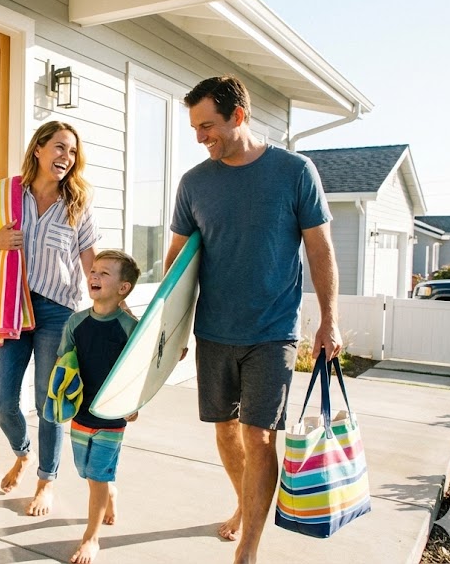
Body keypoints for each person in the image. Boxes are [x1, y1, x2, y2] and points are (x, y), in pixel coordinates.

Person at [166, 75, 342, 564]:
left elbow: (320, 248)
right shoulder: (195, 183)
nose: (201, 137)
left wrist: (330, 320)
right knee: (224, 430)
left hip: (273, 330)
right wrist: (170, 331)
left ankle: (248, 548)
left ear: (238, 115)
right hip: (214, 331)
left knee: (258, 433)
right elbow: (177, 262)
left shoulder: (294, 171)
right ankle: (246, 506)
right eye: (195, 128)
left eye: (208, 126)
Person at [0, 120, 100, 516]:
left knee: (49, 403)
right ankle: (22, 453)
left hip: (56, 312)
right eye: (60, 148)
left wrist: (108, 302)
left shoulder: (78, 204)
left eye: (72, 151)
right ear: (39, 150)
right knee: (0, 399)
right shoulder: (7, 197)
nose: (66, 157)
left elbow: (90, 264)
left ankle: (46, 480)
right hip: (11, 305)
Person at [58, 250, 140, 564]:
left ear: (123, 288)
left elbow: (141, 371)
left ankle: (91, 539)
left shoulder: (131, 328)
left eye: (105, 273)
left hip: (112, 416)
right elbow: (63, 365)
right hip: (81, 412)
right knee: (86, 472)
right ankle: (109, 493)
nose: (95, 276)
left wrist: (133, 405)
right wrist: (59, 398)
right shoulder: (75, 322)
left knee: (97, 477)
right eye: (94, 270)